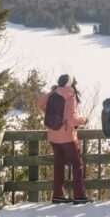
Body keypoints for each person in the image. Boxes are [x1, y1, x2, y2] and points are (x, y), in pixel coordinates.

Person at [37, 74, 92, 204]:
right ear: (71, 84)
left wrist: (52, 114)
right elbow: (72, 120)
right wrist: (84, 120)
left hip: (53, 136)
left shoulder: (53, 94)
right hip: (67, 137)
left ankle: (58, 195)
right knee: (77, 165)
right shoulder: (71, 97)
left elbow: (39, 105)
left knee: (59, 164)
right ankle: (79, 196)